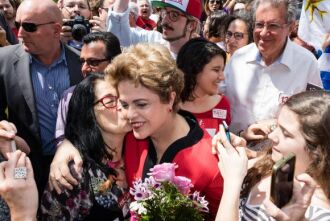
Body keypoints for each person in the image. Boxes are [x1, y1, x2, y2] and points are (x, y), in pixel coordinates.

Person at [50, 43, 223, 220]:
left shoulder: (213, 161)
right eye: (124, 104)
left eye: (141, 104)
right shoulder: (129, 135)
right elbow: (88, 136)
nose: (129, 115)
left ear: (170, 99)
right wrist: (67, 146)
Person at [0, 0, 83, 194]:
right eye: (18, 25)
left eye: (29, 27)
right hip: (24, 167)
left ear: (56, 30)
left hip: (75, 170)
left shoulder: (82, 63)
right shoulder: (3, 60)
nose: (20, 33)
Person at [213, 90, 330, 220]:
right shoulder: (272, 163)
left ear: (317, 150)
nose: (271, 136)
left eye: (286, 133)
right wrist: (237, 152)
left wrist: (232, 182)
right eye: (277, 126)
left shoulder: (319, 213)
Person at [225, 0, 322, 137]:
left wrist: (276, 125)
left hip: (282, 156)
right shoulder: (238, 59)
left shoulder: (307, 63)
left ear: (291, 27)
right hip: (237, 149)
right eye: (259, 25)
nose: (264, 33)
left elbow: (315, 116)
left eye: (273, 26)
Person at [41, 73, 131, 220]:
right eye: (110, 101)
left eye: (124, 100)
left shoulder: (139, 151)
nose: (122, 107)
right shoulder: (73, 173)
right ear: (88, 112)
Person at [55, 31, 122, 146]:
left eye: (93, 62)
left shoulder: (127, 95)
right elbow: (61, 139)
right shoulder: (70, 96)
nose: (84, 68)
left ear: (114, 61)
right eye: (82, 62)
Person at [106, 0, 202, 57]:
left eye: (174, 15)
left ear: (191, 25)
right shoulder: (152, 40)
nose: (164, 21)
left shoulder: (201, 59)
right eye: (164, 12)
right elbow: (118, 35)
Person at [177, 38, 231, 137]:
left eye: (222, 70)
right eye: (216, 70)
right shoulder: (170, 105)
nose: (222, 77)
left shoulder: (223, 104)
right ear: (195, 69)